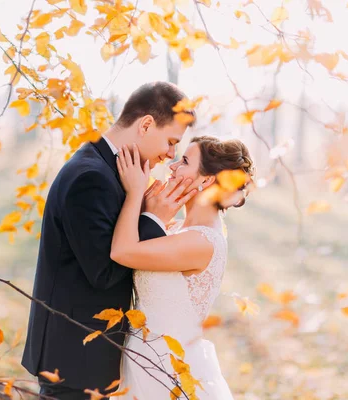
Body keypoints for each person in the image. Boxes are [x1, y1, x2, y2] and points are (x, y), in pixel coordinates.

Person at [21, 82, 195, 399]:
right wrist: (151, 220)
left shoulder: (105, 168)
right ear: (146, 125)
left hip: (85, 353)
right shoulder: (92, 177)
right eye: (171, 142)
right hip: (74, 357)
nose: (171, 154)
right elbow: (103, 272)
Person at [112, 136, 255, 399]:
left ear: (206, 180)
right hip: (144, 359)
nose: (173, 166)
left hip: (169, 369)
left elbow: (122, 252)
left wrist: (135, 194)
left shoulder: (201, 242)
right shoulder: (176, 229)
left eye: (185, 161)